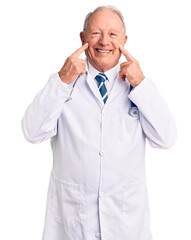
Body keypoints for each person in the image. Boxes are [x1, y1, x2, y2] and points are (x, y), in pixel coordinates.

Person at [21, 5, 177, 240]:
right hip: (72, 225)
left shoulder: (138, 86)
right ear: (83, 38)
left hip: (127, 226)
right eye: (96, 33)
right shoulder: (65, 83)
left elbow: (166, 138)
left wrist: (141, 84)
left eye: (113, 34)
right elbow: (32, 132)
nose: (104, 41)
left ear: (124, 40)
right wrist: (62, 80)